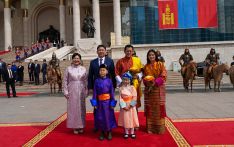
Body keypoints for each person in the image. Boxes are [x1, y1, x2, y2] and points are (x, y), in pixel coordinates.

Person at [88, 45, 116, 132]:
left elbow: (113, 74)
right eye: (99, 50)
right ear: (97, 52)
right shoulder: (93, 62)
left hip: (107, 87)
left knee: (108, 110)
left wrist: (113, 87)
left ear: (105, 51)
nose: (101, 51)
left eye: (102, 50)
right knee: (96, 109)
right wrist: (90, 87)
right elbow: (90, 76)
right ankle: (97, 125)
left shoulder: (110, 61)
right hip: (97, 88)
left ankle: (108, 125)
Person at [143, 49, 167, 134]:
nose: (151, 56)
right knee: (150, 108)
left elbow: (164, 75)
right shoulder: (146, 66)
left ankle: (159, 129)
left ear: (155, 56)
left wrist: (155, 82)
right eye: (150, 55)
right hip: (149, 91)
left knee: (158, 109)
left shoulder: (160, 64)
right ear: (148, 57)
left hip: (158, 90)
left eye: (153, 55)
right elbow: (144, 77)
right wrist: (147, 82)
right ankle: (150, 129)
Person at [90, 64, 117, 141]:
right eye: (101, 70)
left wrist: (112, 103)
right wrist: (94, 103)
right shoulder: (96, 81)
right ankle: (101, 132)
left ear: (107, 71)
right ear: (99, 72)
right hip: (99, 103)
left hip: (108, 103)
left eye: (103, 70)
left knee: (108, 117)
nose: (102, 72)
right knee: (100, 117)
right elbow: (94, 93)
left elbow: (112, 92)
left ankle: (109, 131)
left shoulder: (109, 81)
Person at [63, 53, 88, 134]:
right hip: (72, 89)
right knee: (73, 108)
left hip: (81, 90)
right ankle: (74, 126)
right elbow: (65, 81)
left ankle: (81, 126)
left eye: (78, 58)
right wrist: (66, 91)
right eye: (75, 58)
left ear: (80, 60)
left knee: (81, 108)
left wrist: (86, 90)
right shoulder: (68, 69)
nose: (76, 60)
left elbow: (86, 81)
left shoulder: (83, 69)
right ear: (72, 59)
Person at [118, 72, 139, 139]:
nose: (126, 81)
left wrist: (130, 106)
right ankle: (126, 132)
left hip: (131, 106)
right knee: (126, 119)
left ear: (130, 80)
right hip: (124, 105)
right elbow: (120, 98)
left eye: (127, 79)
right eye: (124, 79)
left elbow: (135, 97)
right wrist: (124, 106)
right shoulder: (121, 88)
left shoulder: (132, 88)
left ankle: (132, 132)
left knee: (132, 118)